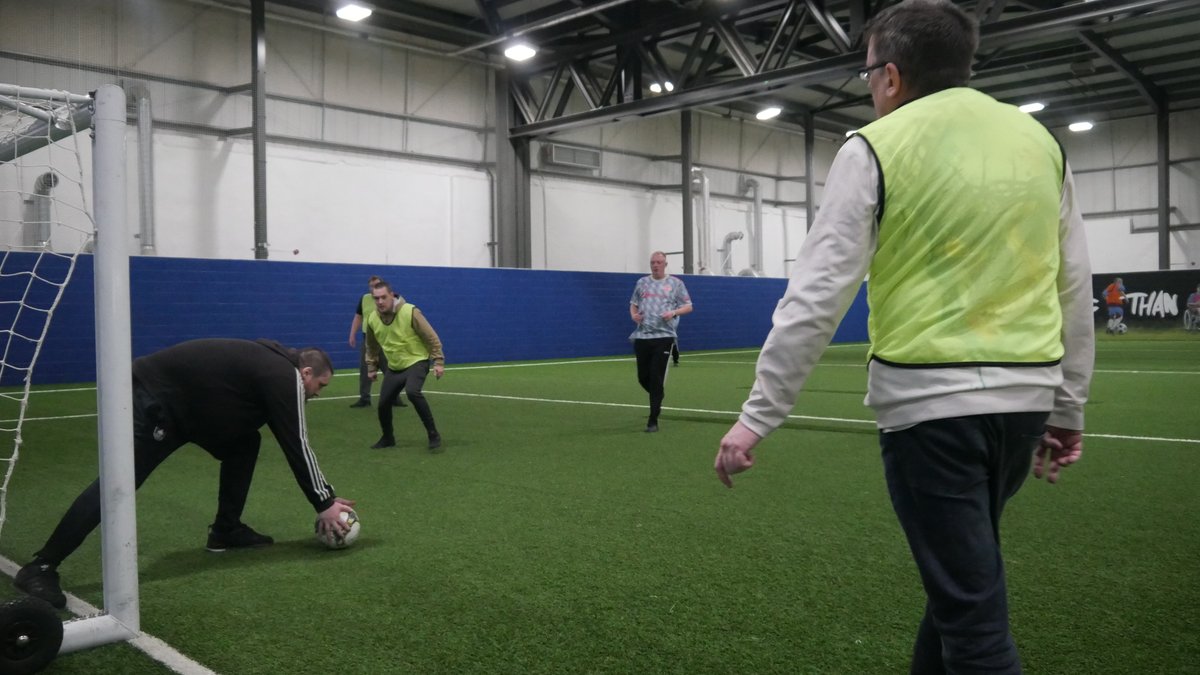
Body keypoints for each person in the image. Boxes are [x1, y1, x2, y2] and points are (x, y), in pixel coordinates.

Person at [712, 2, 1094, 673]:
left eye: (867, 76)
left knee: (974, 620)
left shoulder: (873, 147)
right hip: (1025, 403)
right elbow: (1073, 284)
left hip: (930, 410)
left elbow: (816, 292)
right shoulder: (1039, 143)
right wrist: (1066, 408)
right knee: (956, 588)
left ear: (890, 75)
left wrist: (756, 416)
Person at [13, 338, 357, 610]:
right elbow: (295, 442)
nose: (317, 393)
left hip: (190, 409)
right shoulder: (284, 375)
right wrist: (324, 502)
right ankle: (42, 567)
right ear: (307, 373)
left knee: (244, 443)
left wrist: (323, 495)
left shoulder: (273, 365)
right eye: (320, 386)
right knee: (119, 484)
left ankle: (226, 530)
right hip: (154, 400)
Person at [364, 280, 446, 451]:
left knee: (412, 392)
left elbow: (431, 337)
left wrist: (438, 361)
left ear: (392, 296)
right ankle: (388, 438)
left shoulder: (410, 311)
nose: (379, 302)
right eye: (376, 298)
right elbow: (371, 346)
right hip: (395, 367)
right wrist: (371, 367)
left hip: (417, 361)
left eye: (383, 297)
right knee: (383, 403)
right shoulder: (372, 318)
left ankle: (433, 434)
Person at [629, 251, 693, 432]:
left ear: (665, 264)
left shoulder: (676, 284)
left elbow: (688, 306)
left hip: (664, 337)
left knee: (656, 377)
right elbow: (633, 303)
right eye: (652, 262)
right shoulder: (642, 283)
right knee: (643, 377)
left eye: (659, 262)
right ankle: (658, 395)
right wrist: (634, 315)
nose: (655, 265)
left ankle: (653, 420)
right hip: (642, 336)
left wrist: (673, 313)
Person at [348, 275, 405, 408]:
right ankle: (365, 398)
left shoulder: (392, 298)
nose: (374, 288)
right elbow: (358, 317)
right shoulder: (364, 299)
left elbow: (402, 311)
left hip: (385, 339)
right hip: (367, 339)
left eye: (377, 285)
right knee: (365, 369)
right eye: (372, 286)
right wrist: (352, 334)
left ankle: (395, 397)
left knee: (391, 369)